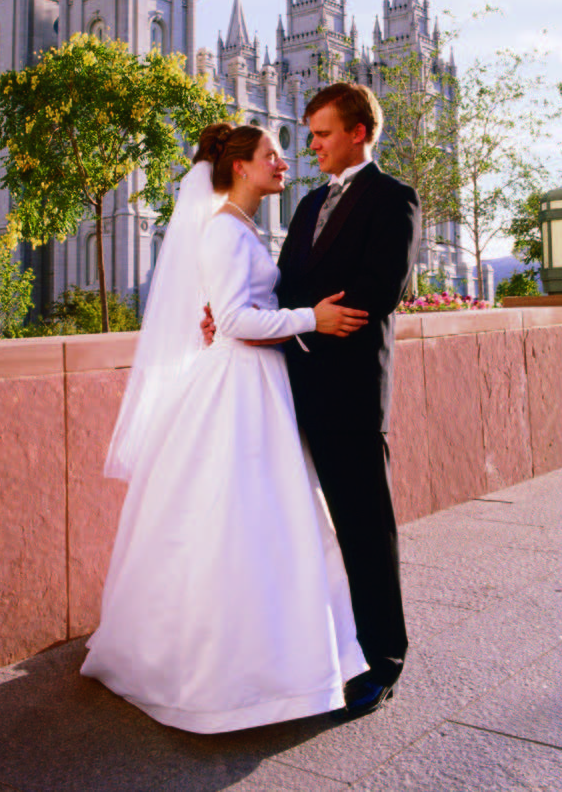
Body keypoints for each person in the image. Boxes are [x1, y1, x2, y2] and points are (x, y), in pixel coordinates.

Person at [80, 123, 371, 733]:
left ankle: (284, 663)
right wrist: (312, 319)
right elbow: (238, 320)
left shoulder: (239, 229)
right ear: (240, 166)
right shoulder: (222, 232)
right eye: (271, 155)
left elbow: (230, 311)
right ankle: (225, 676)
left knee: (266, 523)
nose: (284, 161)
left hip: (259, 383)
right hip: (241, 387)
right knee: (238, 521)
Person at [205, 83, 421, 721]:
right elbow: (284, 291)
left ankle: (383, 661)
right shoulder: (304, 207)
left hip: (350, 395)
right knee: (309, 535)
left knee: (364, 528)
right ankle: (333, 650)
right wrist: (228, 315)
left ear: (358, 132)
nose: (313, 147)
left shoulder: (394, 199)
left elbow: (378, 291)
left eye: (323, 134)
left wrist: (313, 324)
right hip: (289, 393)